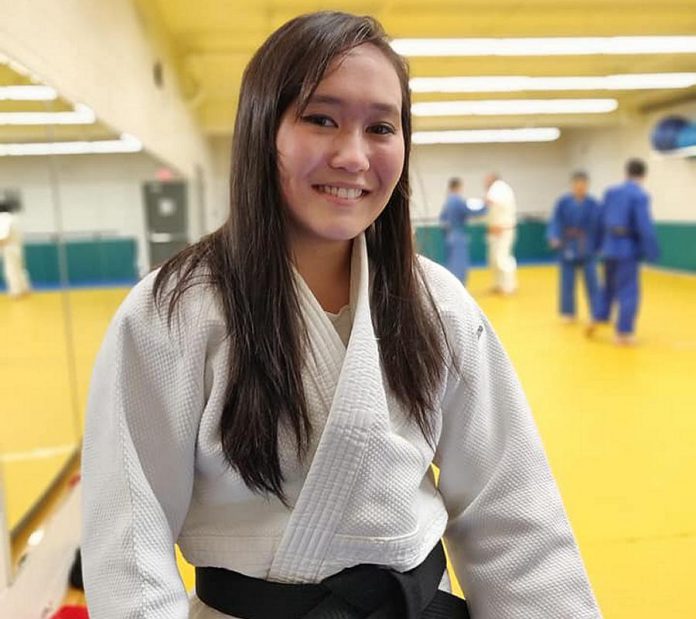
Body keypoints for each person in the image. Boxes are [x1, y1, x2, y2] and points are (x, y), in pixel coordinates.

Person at [81, 11, 600, 619]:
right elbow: (129, 548)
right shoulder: (174, 311)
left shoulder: (437, 305)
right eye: (321, 119)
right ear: (261, 131)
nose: (354, 156)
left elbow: (513, 515)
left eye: (381, 127)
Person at [589, 158, 660, 345]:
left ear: (626, 172)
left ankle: (597, 317)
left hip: (608, 246)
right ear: (644, 175)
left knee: (608, 286)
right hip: (627, 248)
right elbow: (644, 226)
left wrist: (597, 245)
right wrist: (652, 252)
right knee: (628, 290)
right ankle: (623, 333)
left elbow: (599, 220)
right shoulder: (639, 196)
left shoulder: (611, 192)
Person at [547, 171, 601, 323]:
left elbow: (599, 226)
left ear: (587, 186)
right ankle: (568, 312)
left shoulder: (593, 204)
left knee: (592, 281)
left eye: (583, 185)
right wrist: (554, 236)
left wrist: (600, 244)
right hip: (568, 244)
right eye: (577, 185)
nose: (580, 188)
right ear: (572, 185)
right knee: (567, 281)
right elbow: (556, 221)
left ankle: (596, 312)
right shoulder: (563, 203)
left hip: (587, 245)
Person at [438, 178, 483, 286]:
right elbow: (470, 211)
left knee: (451, 261)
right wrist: (485, 207)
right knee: (459, 263)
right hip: (458, 235)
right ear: (458, 187)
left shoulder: (448, 202)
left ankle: (452, 285)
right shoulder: (457, 201)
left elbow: (442, 219)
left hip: (449, 236)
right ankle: (459, 286)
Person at [483, 173, 517, 294]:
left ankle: (508, 287)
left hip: (502, 229)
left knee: (502, 259)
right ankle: (499, 285)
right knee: (494, 260)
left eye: (486, 180)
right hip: (496, 228)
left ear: (492, 179)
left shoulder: (499, 187)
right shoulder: (498, 189)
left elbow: (490, 202)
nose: (484, 183)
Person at [0, 198, 31, 298]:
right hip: (17, 246)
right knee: (20, 269)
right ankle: (25, 289)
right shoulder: (15, 218)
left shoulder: (3, 219)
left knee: (10, 270)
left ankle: (16, 292)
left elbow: (3, 236)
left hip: (8, 247)